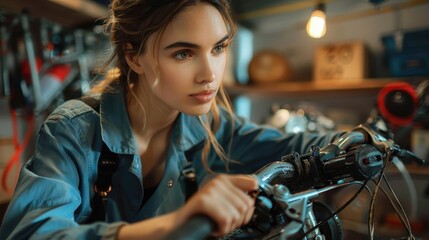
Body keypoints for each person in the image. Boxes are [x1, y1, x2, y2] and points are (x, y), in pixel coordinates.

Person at [0, 1, 343, 239]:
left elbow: (299, 148)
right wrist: (173, 226)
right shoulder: (73, 129)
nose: (209, 75)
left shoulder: (213, 126)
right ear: (135, 57)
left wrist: (369, 137)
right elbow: (32, 232)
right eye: (183, 53)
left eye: (219, 49)